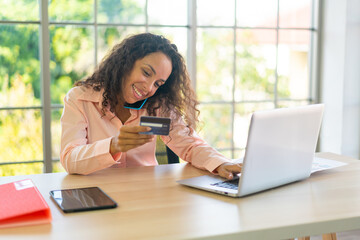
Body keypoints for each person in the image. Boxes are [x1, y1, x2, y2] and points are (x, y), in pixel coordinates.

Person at [60, 32, 242, 179]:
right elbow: (70, 158)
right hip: (95, 194)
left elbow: (189, 145)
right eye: (147, 73)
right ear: (126, 62)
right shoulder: (81, 100)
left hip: (146, 193)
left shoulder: (156, 108)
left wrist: (220, 164)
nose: (148, 88)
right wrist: (113, 146)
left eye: (158, 84)